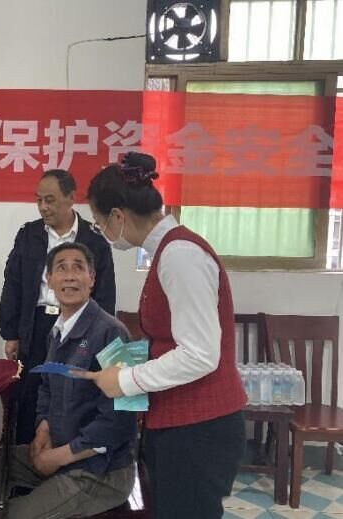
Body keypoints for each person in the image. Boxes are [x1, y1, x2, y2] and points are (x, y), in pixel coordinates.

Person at [73, 152, 246, 519]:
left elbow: (200, 354)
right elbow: (169, 338)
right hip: (177, 421)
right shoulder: (167, 252)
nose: (103, 232)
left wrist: (126, 380)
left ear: (118, 216)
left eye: (100, 224)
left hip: (198, 428)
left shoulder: (180, 255)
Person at [6, 242, 136, 519]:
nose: (69, 277)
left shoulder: (115, 333)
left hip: (101, 471)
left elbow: (123, 421)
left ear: (92, 278)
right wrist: (43, 430)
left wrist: (58, 457)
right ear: (49, 279)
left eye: (78, 268)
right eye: (61, 269)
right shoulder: (56, 332)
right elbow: (47, 388)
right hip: (60, 449)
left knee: (12, 515)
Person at [0, 169, 115, 444]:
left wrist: (100, 337)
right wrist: (11, 333)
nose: (43, 207)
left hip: (77, 327)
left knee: (72, 391)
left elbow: (105, 294)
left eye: (49, 200)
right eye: (39, 200)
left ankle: (66, 455)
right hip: (37, 324)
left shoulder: (94, 240)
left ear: (71, 198)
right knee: (30, 393)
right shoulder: (29, 235)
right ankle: (27, 455)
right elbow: (13, 283)